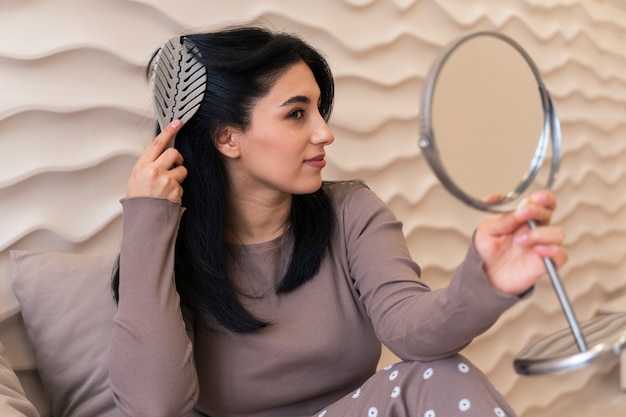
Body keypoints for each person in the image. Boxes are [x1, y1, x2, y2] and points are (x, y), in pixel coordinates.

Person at [108, 25, 567, 417]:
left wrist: (485, 280)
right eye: (296, 114)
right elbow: (155, 406)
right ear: (228, 137)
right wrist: (149, 221)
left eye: (318, 110)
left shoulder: (350, 212)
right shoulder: (166, 244)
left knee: (441, 373)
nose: (324, 132)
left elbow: (410, 329)